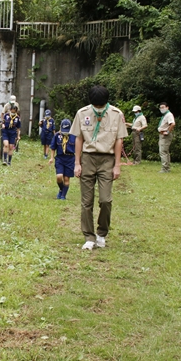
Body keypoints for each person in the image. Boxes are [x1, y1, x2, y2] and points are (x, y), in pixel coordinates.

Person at [70, 86, 128, 250]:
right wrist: (77, 163)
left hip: (107, 160)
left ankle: (101, 233)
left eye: (101, 107)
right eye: (96, 107)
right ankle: (89, 236)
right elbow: (79, 138)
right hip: (88, 158)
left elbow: (119, 140)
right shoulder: (82, 113)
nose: (98, 110)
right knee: (86, 202)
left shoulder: (116, 114)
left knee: (105, 200)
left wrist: (117, 165)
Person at [48, 119, 76, 200]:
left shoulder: (74, 136)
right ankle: (61, 189)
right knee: (59, 177)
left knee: (66, 179)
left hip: (70, 158)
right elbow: (53, 147)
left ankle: (63, 195)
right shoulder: (57, 135)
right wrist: (51, 158)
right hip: (60, 158)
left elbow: (78, 149)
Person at [157, 102, 176, 173]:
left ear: (167, 107)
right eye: (160, 107)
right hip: (162, 134)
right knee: (165, 151)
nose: (162, 109)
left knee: (163, 151)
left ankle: (165, 168)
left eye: (163, 107)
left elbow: (172, 124)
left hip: (165, 135)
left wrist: (167, 132)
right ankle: (167, 168)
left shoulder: (169, 115)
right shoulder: (165, 115)